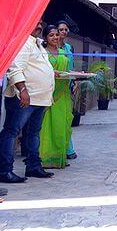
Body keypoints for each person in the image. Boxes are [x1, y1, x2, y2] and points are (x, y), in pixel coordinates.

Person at [0, 22, 55, 183]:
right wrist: (23, 90)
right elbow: (15, 68)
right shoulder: (23, 42)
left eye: (41, 22)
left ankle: (33, 166)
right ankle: (4, 170)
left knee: (33, 134)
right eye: (35, 22)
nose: (40, 25)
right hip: (25, 98)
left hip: (39, 98)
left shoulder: (37, 44)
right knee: (12, 132)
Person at [38, 26, 74, 169]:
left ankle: (59, 157)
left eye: (56, 35)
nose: (55, 37)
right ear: (46, 37)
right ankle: (45, 158)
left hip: (62, 93)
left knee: (62, 124)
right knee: (45, 126)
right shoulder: (42, 53)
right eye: (51, 35)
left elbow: (67, 71)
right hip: (46, 93)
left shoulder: (63, 53)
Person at [57, 21, 77, 160]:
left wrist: (75, 82)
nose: (63, 32)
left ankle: (67, 148)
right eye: (60, 30)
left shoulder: (69, 48)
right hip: (55, 86)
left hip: (67, 85)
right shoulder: (50, 47)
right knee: (56, 119)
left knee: (67, 118)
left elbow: (72, 66)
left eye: (65, 29)